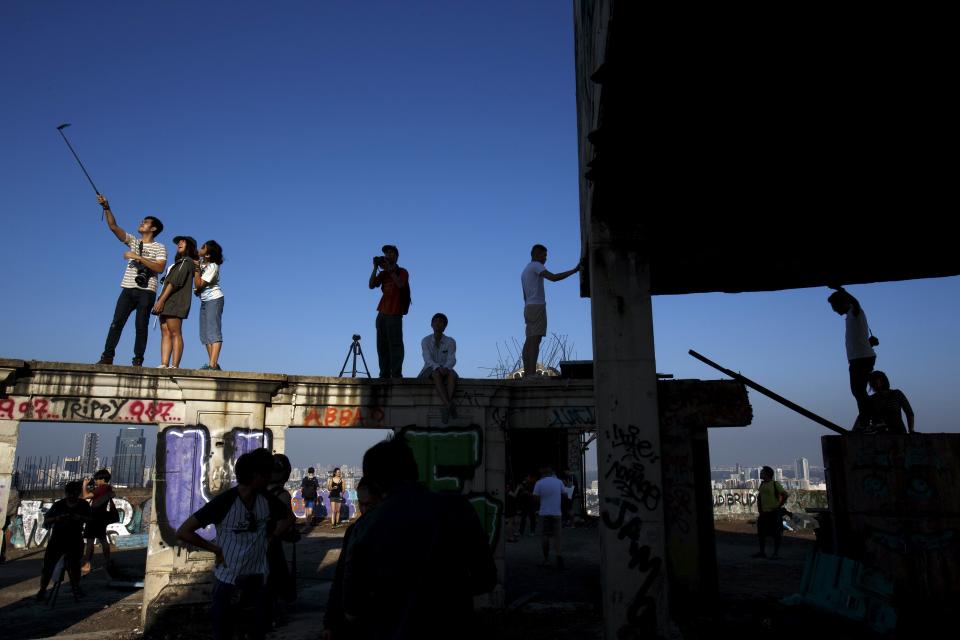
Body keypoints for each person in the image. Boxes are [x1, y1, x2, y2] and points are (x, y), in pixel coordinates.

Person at [341, 437, 497, 640]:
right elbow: (486, 579)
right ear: (414, 470)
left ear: (376, 483)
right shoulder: (459, 510)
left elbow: (352, 608)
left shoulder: (364, 527)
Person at [176, 448, 294, 640]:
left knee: (257, 633)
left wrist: (271, 538)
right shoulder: (225, 502)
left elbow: (289, 518)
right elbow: (184, 531)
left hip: (258, 580)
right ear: (256, 476)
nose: (268, 479)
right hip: (228, 582)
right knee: (224, 632)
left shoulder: (267, 500)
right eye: (265, 475)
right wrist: (215, 549)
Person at [95, 194, 167, 367]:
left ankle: (138, 360)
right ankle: (107, 356)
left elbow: (160, 268)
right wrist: (106, 207)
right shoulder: (133, 241)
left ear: (154, 228)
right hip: (128, 287)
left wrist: (138, 258)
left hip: (147, 290)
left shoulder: (160, 247)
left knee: (141, 327)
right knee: (116, 322)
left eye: (146, 222)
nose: (142, 223)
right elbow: (113, 226)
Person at [322, 477, 383, 640]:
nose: (364, 510)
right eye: (361, 505)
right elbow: (341, 576)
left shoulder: (387, 531)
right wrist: (330, 622)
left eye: (369, 505)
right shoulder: (354, 531)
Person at [521, 245, 581, 379]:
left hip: (528, 307)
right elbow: (553, 278)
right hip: (537, 307)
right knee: (535, 340)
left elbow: (524, 296)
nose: (545, 258)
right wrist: (574, 270)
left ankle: (527, 373)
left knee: (529, 340)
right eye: (544, 255)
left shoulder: (525, 270)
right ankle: (531, 374)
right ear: (536, 254)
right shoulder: (536, 265)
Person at [827, 286, 877, 425]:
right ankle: (868, 419)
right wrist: (869, 344)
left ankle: (871, 420)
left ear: (843, 302)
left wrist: (840, 289)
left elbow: (856, 302)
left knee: (858, 391)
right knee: (858, 391)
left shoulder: (855, 312)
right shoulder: (851, 316)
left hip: (860, 359)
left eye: (835, 306)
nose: (834, 310)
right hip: (860, 358)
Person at [35, 481, 91, 602]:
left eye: (74, 494)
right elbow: (47, 520)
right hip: (57, 539)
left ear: (78, 494)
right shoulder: (58, 505)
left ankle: (76, 587)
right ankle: (42, 590)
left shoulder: (83, 505)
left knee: (75, 566)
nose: (71, 496)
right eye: (69, 494)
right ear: (66, 493)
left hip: (75, 539)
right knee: (48, 566)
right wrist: (57, 518)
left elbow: (91, 520)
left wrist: (80, 518)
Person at [153, 235, 198, 368]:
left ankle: (174, 365)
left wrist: (161, 300)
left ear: (189, 246)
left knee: (175, 332)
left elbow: (174, 282)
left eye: (183, 241)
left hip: (175, 301)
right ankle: (164, 363)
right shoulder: (178, 263)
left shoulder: (187, 261)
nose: (179, 243)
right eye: (179, 242)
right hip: (167, 300)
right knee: (165, 332)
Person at [265, 454, 298, 628]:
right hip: (274, 545)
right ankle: (277, 617)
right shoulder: (282, 495)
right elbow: (287, 520)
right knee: (277, 581)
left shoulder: (260, 491)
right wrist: (275, 536)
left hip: (261, 543)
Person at [368, 244, 410, 378]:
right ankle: (384, 374)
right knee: (382, 346)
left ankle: (396, 374)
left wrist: (389, 270)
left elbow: (401, 284)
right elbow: (371, 285)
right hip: (382, 313)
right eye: (387, 253)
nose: (388, 255)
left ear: (396, 256)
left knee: (396, 345)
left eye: (391, 253)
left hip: (395, 312)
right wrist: (375, 267)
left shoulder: (402, 271)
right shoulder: (384, 273)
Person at [419, 312, 458, 422]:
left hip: (446, 369)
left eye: (441, 322)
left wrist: (446, 367)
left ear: (445, 326)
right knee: (436, 373)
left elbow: (452, 358)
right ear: (431, 324)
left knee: (452, 375)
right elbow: (427, 359)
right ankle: (448, 405)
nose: (438, 323)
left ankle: (446, 407)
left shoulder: (450, 341)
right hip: (429, 369)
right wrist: (437, 367)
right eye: (435, 321)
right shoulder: (425, 340)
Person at [194, 239, 225, 370]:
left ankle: (212, 364)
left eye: (203, 248)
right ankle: (212, 363)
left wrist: (196, 268)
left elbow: (199, 284)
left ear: (208, 254)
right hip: (205, 301)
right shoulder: (201, 263)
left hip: (214, 299)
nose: (199, 249)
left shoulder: (213, 266)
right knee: (205, 334)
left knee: (213, 331)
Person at [81, 469, 115, 574]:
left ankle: (87, 564)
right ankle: (107, 561)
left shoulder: (101, 489)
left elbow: (85, 496)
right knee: (103, 540)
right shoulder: (108, 488)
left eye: (97, 479)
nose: (95, 481)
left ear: (102, 479)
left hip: (94, 517)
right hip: (102, 517)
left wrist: (84, 485)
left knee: (90, 541)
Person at [532, 467, 565, 569]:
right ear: (552, 473)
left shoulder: (539, 483)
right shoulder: (559, 482)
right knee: (557, 536)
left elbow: (536, 499)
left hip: (544, 513)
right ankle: (559, 556)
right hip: (557, 513)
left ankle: (546, 559)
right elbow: (564, 495)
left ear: (544, 474)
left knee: (545, 536)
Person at [754, 466, 788, 559]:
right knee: (761, 533)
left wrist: (779, 505)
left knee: (776, 533)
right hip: (764, 513)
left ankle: (775, 553)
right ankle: (762, 552)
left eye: (762, 472)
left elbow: (785, 494)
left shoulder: (774, 484)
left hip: (774, 512)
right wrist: (760, 509)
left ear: (767, 474)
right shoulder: (762, 485)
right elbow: (760, 497)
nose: (760, 474)